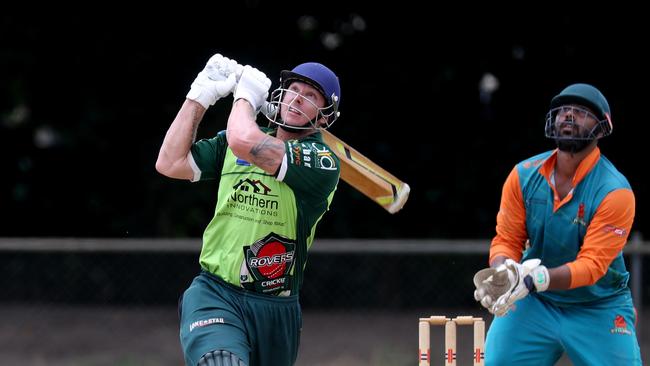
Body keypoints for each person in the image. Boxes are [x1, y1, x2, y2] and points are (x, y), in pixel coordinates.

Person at [156, 53, 342, 366]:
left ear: (325, 115)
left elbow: (245, 140)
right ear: (281, 96)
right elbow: (170, 163)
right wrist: (200, 95)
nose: (298, 99)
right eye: (294, 89)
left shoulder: (321, 161)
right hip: (215, 293)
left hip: (276, 309)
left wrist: (245, 96)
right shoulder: (229, 143)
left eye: (311, 96)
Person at [472, 83, 642, 365]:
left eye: (581, 112)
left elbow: (592, 267)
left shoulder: (615, 192)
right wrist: (505, 272)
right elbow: (507, 240)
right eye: (563, 110)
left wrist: (534, 279)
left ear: (601, 129)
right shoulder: (523, 175)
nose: (568, 116)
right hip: (535, 305)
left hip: (597, 305)